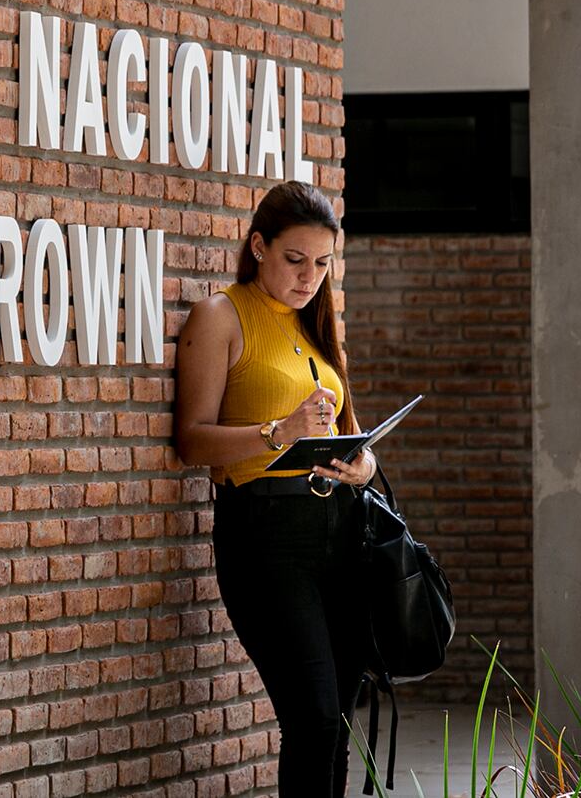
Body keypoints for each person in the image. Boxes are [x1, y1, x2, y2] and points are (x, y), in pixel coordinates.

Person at [173, 180, 378, 797]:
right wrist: (278, 432)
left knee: (339, 718)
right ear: (258, 246)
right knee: (312, 715)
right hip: (266, 536)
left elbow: (349, 433)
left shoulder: (316, 325)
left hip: (337, 531)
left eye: (322, 263)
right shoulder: (220, 315)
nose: (309, 276)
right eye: (295, 260)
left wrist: (362, 467)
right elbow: (192, 441)